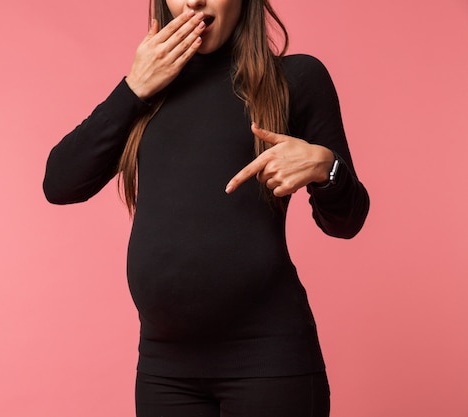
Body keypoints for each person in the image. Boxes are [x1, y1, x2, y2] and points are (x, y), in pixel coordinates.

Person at [43, 0, 370, 415]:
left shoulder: (297, 79)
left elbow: (348, 221)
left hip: (269, 361)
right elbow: (60, 183)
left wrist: (328, 168)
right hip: (165, 369)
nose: (193, 1)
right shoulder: (146, 93)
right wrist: (132, 89)